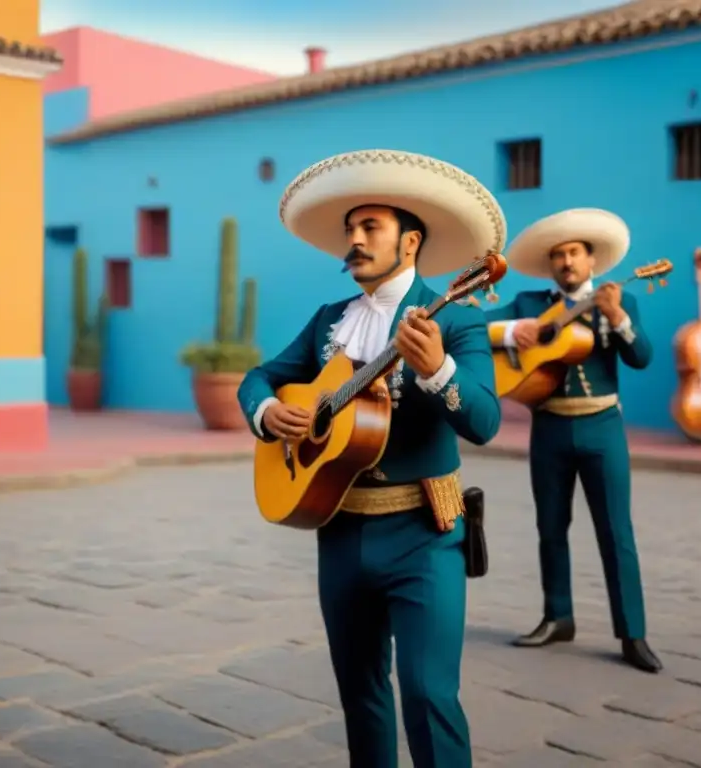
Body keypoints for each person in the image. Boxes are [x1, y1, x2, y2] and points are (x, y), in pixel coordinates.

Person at [237, 149, 505, 768]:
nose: (353, 242)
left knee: (429, 694)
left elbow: (485, 422)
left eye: (370, 229)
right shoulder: (329, 322)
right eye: (350, 231)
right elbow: (259, 376)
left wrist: (437, 369)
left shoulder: (457, 321)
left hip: (424, 532)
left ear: (409, 243)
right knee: (361, 696)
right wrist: (268, 413)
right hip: (339, 529)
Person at [484, 208, 662, 674]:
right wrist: (512, 331)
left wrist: (618, 316)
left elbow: (641, 356)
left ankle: (632, 632)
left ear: (591, 260)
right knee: (549, 526)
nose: (566, 262)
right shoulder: (528, 303)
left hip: (602, 425)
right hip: (549, 427)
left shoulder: (615, 300)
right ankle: (557, 615)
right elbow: (476, 327)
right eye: (558, 255)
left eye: (574, 253)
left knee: (616, 531)